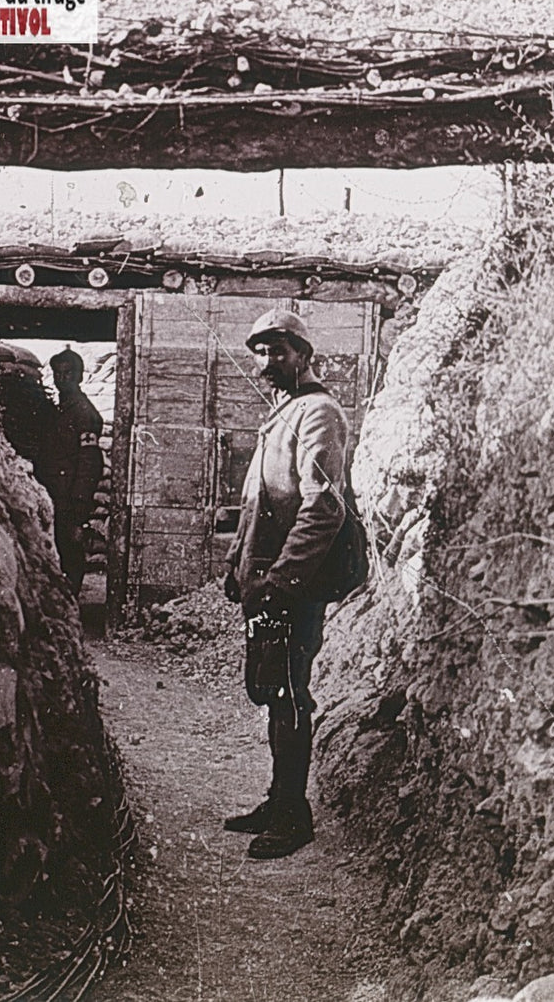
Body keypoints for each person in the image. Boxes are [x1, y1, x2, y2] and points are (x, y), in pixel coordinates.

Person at [221, 310, 351, 860]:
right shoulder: (284, 410)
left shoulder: (318, 413)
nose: (267, 362)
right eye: (260, 352)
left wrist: (283, 580)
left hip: (293, 586)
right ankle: (279, 799)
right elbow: (257, 503)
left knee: (291, 692)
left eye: (279, 351)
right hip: (268, 581)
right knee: (272, 686)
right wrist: (237, 564)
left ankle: (294, 815)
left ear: (304, 355)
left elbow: (323, 509)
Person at [40, 348, 104, 591]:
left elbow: (90, 462)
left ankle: (72, 602)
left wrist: (79, 504)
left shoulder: (84, 413)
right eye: (57, 373)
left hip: (70, 497)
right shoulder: (59, 409)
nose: (61, 378)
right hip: (55, 492)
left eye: (68, 373)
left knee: (70, 551)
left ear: (80, 376)